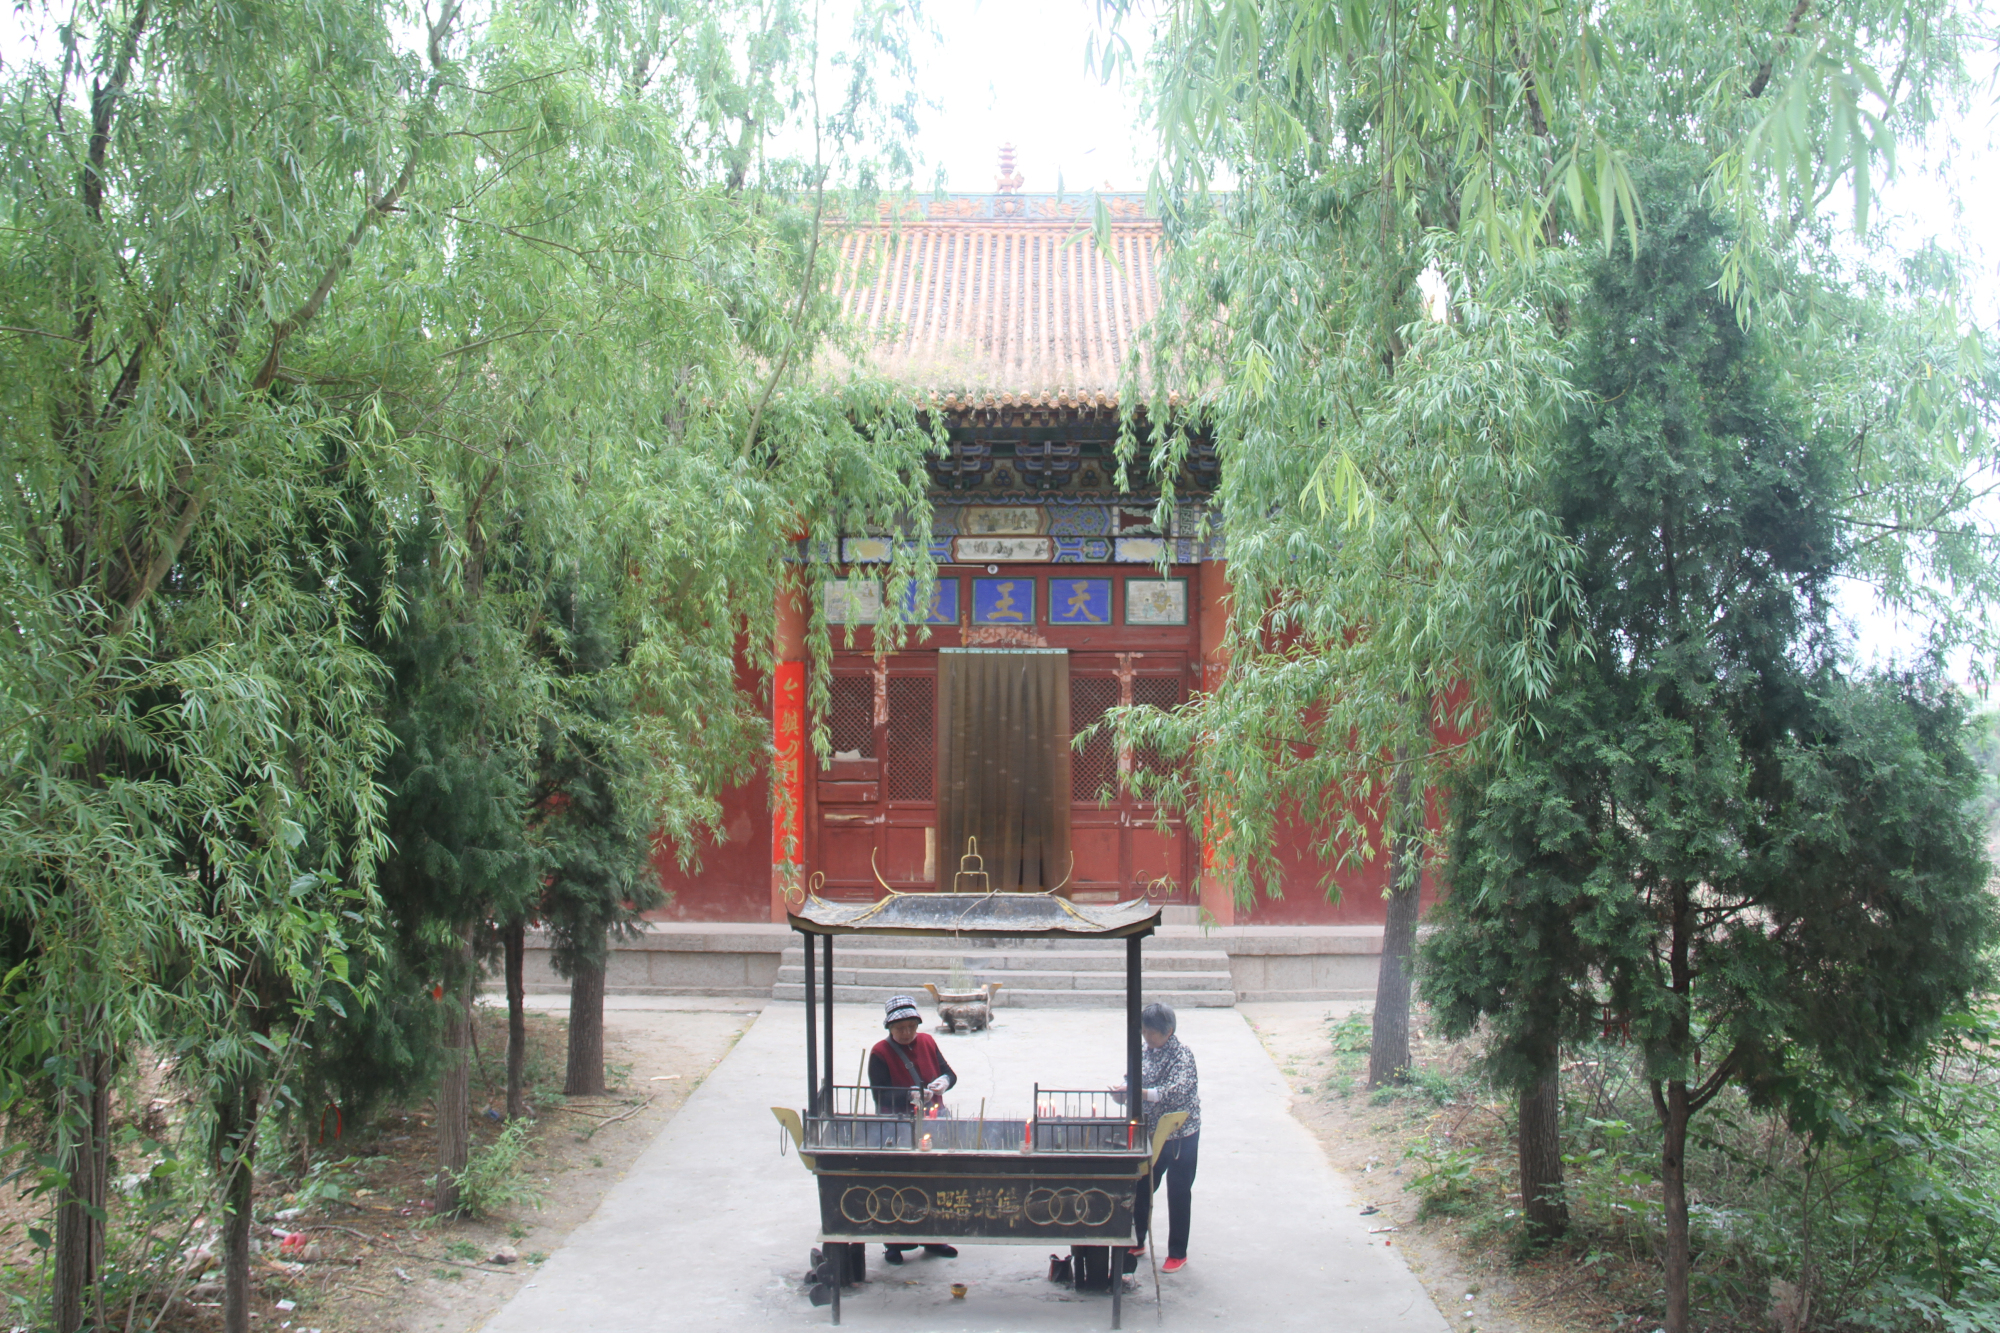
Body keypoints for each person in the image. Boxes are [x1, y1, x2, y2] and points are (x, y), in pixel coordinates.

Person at [868, 994, 960, 1265]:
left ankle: (934, 1237)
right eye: (900, 1028)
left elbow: (949, 1073)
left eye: (911, 1026)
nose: (907, 1033)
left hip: (933, 1121)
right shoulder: (879, 1053)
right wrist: (908, 1096)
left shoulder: (928, 1042)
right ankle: (895, 1243)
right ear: (889, 1029)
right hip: (898, 1127)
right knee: (898, 1182)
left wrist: (943, 1083)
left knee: (934, 1180)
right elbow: (879, 1096)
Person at [1111, 1001, 1200, 1274]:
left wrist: (1141, 1092)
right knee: (1141, 1186)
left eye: (1154, 1033)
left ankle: (1177, 1252)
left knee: (1178, 1190)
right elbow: (1131, 1079)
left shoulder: (1182, 1056)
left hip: (1179, 1133)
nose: (1148, 1038)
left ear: (1169, 1031)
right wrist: (1123, 1093)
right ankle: (1137, 1239)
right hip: (1148, 1130)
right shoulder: (1143, 1052)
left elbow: (1177, 1092)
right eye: (1145, 1032)